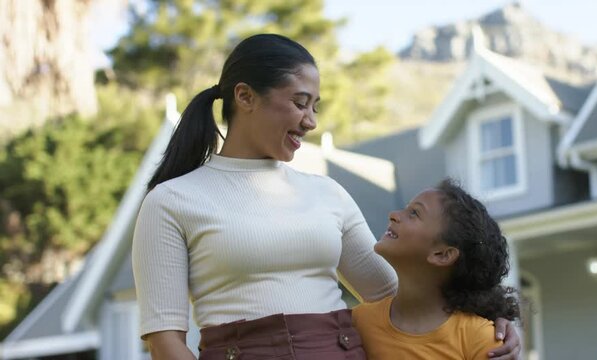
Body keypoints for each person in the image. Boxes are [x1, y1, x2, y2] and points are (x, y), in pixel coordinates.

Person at [132, 33, 520, 360]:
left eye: (315, 107)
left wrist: (488, 321)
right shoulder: (172, 202)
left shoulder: (326, 192)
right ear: (245, 97)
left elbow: (397, 293)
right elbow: (165, 341)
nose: (311, 121)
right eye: (300, 103)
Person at [352, 178, 521, 360]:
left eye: (414, 213)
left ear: (442, 255)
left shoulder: (481, 340)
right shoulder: (358, 322)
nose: (394, 214)